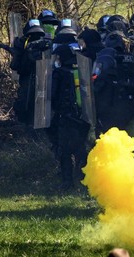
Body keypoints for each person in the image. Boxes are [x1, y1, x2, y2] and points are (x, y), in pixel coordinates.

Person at [51, 42, 90, 190]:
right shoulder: (82, 70)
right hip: (83, 117)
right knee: (81, 148)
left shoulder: (59, 73)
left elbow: (52, 95)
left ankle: (67, 182)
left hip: (66, 118)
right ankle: (84, 179)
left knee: (64, 151)